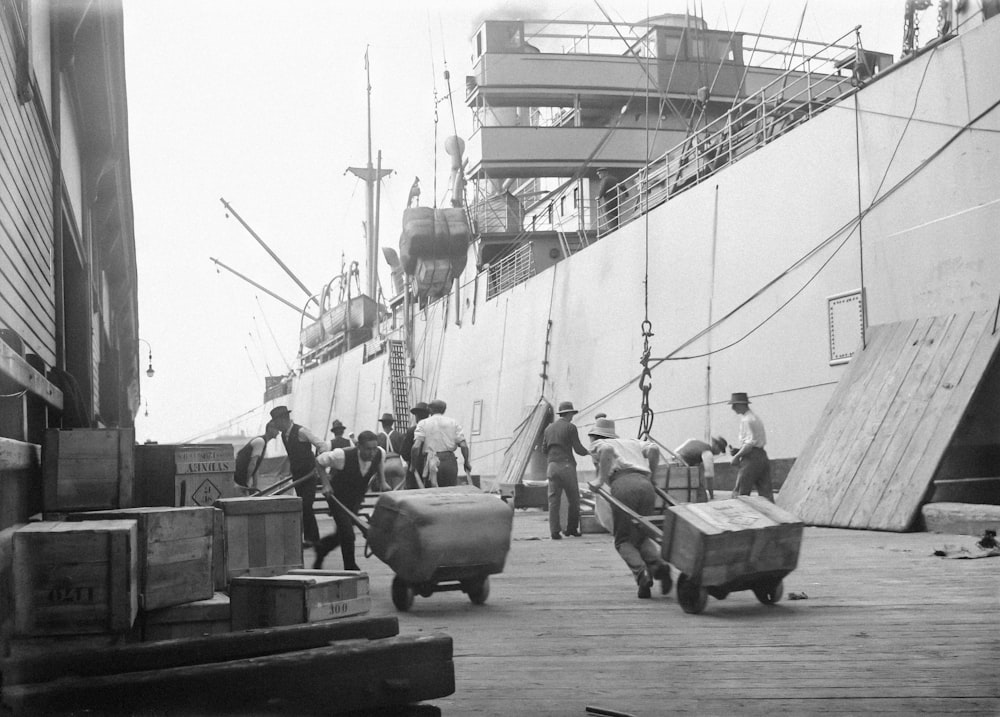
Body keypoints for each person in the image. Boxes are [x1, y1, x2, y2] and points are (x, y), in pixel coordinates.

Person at [587, 418, 671, 599]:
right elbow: (654, 449)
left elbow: (607, 451)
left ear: (595, 436)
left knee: (623, 540)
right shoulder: (631, 442)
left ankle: (642, 574)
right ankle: (657, 566)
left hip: (623, 485)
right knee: (641, 534)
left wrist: (600, 480)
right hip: (646, 486)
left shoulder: (600, 444)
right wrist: (652, 477)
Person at [313, 430, 389, 570]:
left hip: (356, 498)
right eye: (368, 449)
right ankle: (350, 567)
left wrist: (383, 481)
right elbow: (318, 461)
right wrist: (326, 484)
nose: (372, 453)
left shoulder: (379, 452)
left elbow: (379, 463)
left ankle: (321, 548)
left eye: (374, 449)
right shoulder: (341, 455)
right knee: (348, 534)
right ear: (358, 446)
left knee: (341, 533)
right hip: (337, 498)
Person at [270, 406, 329, 549]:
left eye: (276, 422)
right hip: (298, 476)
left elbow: (323, 446)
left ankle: (312, 539)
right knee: (303, 507)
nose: (275, 426)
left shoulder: (301, 431)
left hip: (309, 475)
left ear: (283, 420)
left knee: (306, 505)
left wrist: (318, 464)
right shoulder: (284, 435)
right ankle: (311, 538)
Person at [542, 401, 590, 540]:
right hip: (567, 466)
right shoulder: (571, 427)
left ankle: (554, 532)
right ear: (568, 414)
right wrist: (589, 453)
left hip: (552, 466)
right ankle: (572, 529)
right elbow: (578, 449)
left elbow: (544, 449)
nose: (573, 417)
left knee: (553, 500)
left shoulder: (548, 429)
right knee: (574, 499)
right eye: (572, 414)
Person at [411, 398, 471, 488]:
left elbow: (416, 447)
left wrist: (413, 464)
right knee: (450, 491)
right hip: (449, 461)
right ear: (444, 410)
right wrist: (466, 462)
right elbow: (463, 445)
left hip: (431, 460)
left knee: (431, 494)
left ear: (430, 409)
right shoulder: (453, 422)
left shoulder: (423, 423)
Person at [728, 392, 774, 502]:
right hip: (761, 456)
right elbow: (755, 442)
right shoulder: (755, 418)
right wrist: (739, 450)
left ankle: (739, 516)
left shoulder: (746, 420)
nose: (733, 408)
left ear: (741, 405)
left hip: (751, 459)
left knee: (741, 492)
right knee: (765, 492)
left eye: (734, 405)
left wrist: (736, 456)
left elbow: (749, 445)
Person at [673, 435, 728, 501]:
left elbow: (676, 451)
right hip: (682, 466)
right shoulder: (707, 453)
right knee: (702, 497)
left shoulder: (696, 442)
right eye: (720, 450)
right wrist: (711, 496)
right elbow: (709, 476)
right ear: (716, 446)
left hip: (675, 460)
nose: (719, 453)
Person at [233, 420, 280, 492]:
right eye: (277, 429)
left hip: (241, 477)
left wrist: (255, 485)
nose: (278, 432)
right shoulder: (260, 441)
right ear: (270, 429)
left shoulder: (263, 442)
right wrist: (247, 482)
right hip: (239, 477)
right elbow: (252, 463)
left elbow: (256, 466)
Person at [400, 402, 430, 488]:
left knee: (411, 490)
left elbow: (404, 453)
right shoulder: (433, 429)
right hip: (432, 464)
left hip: (416, 466)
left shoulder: (411, 430)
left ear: (416, 416)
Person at [376, 412, 406, 489]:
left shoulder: (378, 437)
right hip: (397, 463)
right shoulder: (399, 435)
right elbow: (403, 451)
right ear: (392, 423)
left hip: (384, 464)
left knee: (386, 489)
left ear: (382, 424)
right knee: (399, 488)